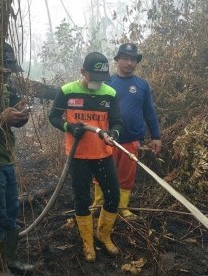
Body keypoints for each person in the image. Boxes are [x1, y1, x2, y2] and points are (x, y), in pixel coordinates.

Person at [48, 52, 123, 262]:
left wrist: (114, 134)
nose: (98, 84)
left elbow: (117, 122)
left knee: (113, 196)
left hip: (103, 155)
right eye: (94, 78)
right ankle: (87, 242)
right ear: (83, 72)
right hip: (78, 156)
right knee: (82, 199)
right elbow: (53, 116)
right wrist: (69, 127)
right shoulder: (67, 91)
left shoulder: (110, 93)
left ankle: (103, 235)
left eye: (102, 79)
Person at [92, 43, 162, 220]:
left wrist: (156, 136)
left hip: (131, 140)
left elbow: (149, 111)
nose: (129, 63)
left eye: (133, 59)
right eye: (125, 58)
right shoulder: (107, 83)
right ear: (117, 60)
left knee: (126, 176)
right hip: (107, 139)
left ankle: (122, 208)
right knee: (101, 173)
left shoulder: (142, 85)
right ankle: (98, 204)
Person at [0, 42, 35, 275]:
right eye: (3, 70)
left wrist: (20, 115)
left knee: (12, 213)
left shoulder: (7, 88)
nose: (7, 75)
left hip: (6, 160)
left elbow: (12, 121)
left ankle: (11, 260)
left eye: (9, 71)